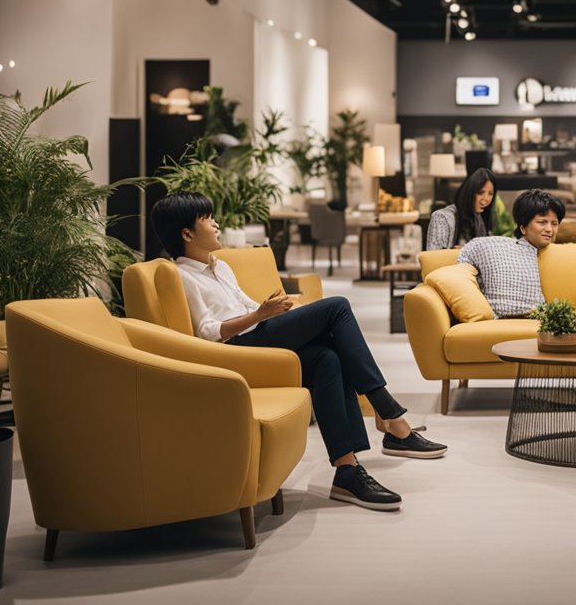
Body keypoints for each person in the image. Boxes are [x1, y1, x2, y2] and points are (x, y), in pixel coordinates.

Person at [150, 192, 447, 513]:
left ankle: (347, 471)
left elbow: (248, 305)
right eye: (207, 219)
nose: (216, 224)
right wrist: (259, 316)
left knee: (327, 358)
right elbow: (208, 331)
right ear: (187, 234)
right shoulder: (183, 275)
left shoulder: (219, 267)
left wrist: (277, 312)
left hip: (257, 337)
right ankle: (388, 411)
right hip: (235, 352)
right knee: (337, 307)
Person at [456, 188, 564, 318]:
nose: (549, 229)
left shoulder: (562, 256)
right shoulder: (493, 248)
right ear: (523, 227)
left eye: (555, 224)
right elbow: (463, 269)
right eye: (542, 222)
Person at [427, 167, 497, 250]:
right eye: (480, 192)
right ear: (469, 192)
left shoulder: (479, 219)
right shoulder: (442, 218)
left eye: (490, 194)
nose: (486, 199)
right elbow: (433, 258)